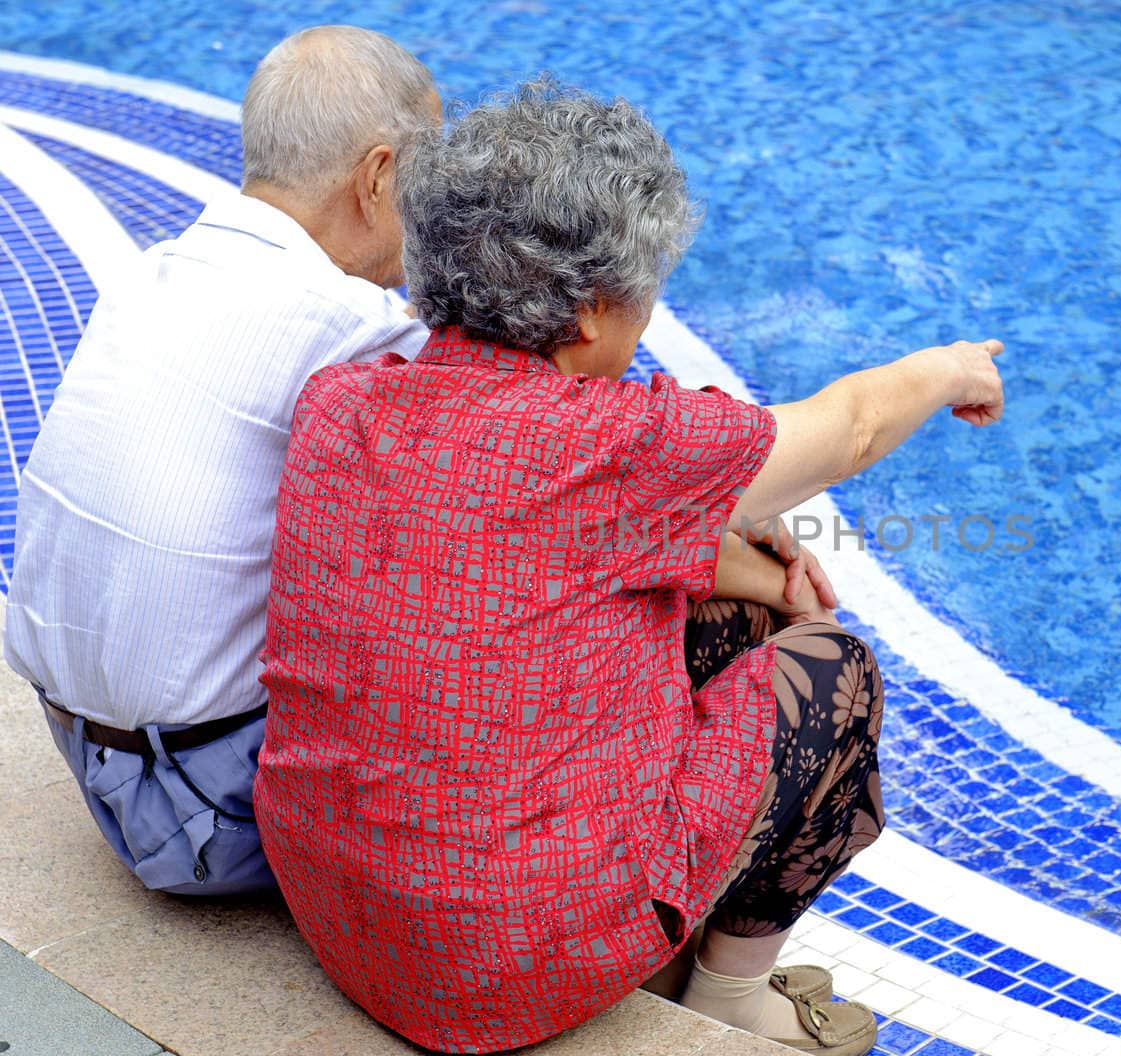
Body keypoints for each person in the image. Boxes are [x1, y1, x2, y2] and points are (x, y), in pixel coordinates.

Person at [253, 79, 1004, 1055]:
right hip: (500, 971)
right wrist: (951, 368)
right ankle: (730, 999)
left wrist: (742, 573)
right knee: (831, 671)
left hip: (336, 909)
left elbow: (521, 562)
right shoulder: (611, 443)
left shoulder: (343, 402)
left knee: (734, 621)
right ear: (591, 313)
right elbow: (852, 427)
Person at [2, 25, 441, 895]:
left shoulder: (155, 270)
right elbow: (546, 463)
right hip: (207, 809)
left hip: (85, 756)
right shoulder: (348, 328)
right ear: (378, 174)